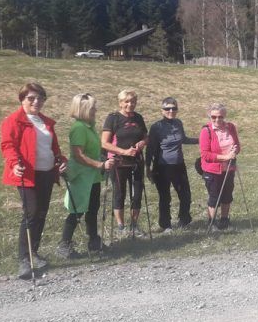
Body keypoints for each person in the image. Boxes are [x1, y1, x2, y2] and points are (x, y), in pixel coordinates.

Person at [0, 82, 67, 279]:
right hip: (27, 174)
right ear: (22, 99)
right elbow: (8, 145)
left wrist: (61, 160)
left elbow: (53, 148)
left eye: (40, 98)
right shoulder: (14, 120)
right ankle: (24, 259)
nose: (36, 102)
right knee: (31, 212)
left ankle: (34, 252)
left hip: (46, 172)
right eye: (31, 98)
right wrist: (14, 163)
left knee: (42, 212)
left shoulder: (46, 122)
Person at [57, 94, 115, 258]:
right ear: (83, 109)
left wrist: (102, 159)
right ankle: (64, 245)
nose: (95, 110)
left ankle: (94, 241)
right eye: (92, 107)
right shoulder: (79, 128)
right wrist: (100, 165)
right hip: (81, 176)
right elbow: (78, 155)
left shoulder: (89, 127)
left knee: (92, 209)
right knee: (77, 210)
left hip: (92, 176)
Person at [146, 97, 198, 233]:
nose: (171, 111)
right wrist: (147, 167)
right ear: (162, 110)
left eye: (174, 108)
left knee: (185, 194)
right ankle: (165, 225)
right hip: (162, 166)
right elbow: (150, 148)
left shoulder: (178, 123)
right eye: (167, 108)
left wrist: (201, 140)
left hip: (179, 165)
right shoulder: (156, 127)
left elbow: (184, 139)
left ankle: (184, 220)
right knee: (165, 197)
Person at [101, 90, 148, 237]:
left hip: (137, 161)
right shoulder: (113, 118)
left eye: (133, 101)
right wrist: (124, 152)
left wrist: (142, 143)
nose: (130, 104)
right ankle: (121, 226)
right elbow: (104, 143)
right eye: (126, 101)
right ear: (120, 103)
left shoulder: (138, 118)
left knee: (137, 194)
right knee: (119, 194)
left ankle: (134, 225)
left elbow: (146, 137)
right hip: (118, 163)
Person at [199, 103, 241, 231]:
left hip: (229, 169)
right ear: (210, 117)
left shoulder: (231, 127)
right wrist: (225, 157)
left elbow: (237, 145)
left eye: (220, 117)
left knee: (227, 195)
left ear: (224, 116)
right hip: (212, 170)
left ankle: (224, 220)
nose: (217, 119)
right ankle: (211, 223)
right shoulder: (206, 131)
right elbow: (205, 155)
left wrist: (235, 150)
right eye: (214, 117)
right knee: (214, 197)